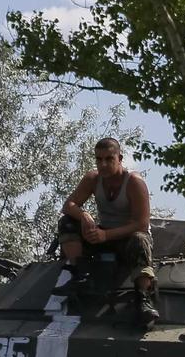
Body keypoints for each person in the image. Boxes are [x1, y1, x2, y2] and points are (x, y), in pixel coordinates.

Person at [58, 137, 158, 325]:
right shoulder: (93, 179)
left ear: (120, 159)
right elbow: (68, 205)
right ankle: (80, 275)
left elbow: (141, 224)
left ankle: (143, 297)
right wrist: (84, 215)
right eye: (99, 159)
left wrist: (106, 235)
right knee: (67, 223)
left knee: (140, 239)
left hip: (128, 239)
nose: (103, 164)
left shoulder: (134, 182)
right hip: (102, 236)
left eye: (109, 159)